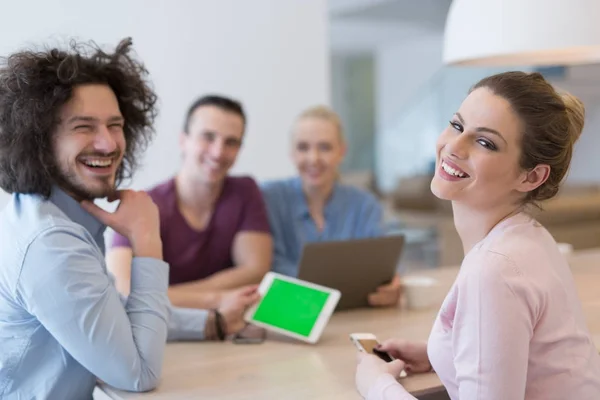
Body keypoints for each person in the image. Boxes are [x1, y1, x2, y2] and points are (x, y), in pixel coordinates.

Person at [0, 38, 256, 399]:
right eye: (84, 126)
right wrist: (147, 240)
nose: (108, 144)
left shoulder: (52, 214)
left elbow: (113, 316)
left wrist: (212, 322)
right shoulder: (51, 242)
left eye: (115, 124)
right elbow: (138, 373)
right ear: (40, 140)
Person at [355, 71, 600, 399]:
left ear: (531, 177)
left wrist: (376, 386)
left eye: (485, 142)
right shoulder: (528, 237)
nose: (453, 146)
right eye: (457, 125)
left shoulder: (494, 268)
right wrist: (443, 354)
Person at [107, 95, 273, 310]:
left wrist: (163, 296)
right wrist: (216, 299)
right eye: (208, 137)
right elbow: (125, 292)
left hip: (225, 332)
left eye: (231, 142)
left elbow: (255, 271)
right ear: (183, 140)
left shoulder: (245, 192)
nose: (218, 152)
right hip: (164, 335)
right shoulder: (140, 207)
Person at [261, 106, 401, 307]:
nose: (314, 159)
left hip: (355, 313)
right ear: (291, 152)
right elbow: (268, 267)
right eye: (303, 147)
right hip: (288, 312)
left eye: (325, 147)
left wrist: (391, 284)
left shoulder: (365, 205)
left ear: (341, 152)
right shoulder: (269, 199)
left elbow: (382, 267)